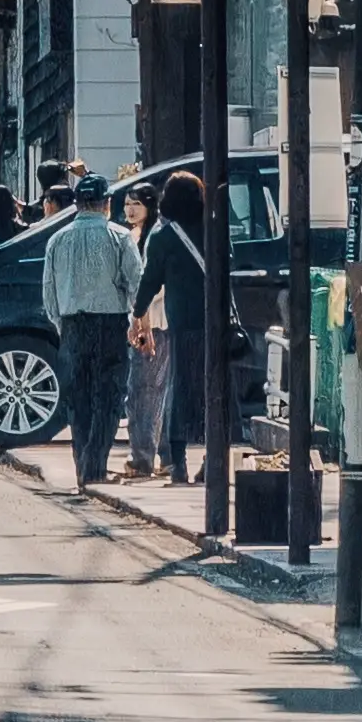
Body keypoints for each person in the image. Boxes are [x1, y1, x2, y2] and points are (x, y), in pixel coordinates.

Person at [40, 168, 143, 485]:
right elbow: (137, 283)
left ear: (77, 204)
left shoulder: (57, 240)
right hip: (111, 324)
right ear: (106, 204)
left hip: (72, 326)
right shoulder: (120, 237)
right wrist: (134, 320)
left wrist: (62, 326)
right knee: (109, 399)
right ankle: (94, 465)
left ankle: (83, 466)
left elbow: (49, 293)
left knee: (78, 400)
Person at [134, 170, 209, 490]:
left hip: (181, 322)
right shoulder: (214, 231)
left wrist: (137, 314)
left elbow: (150, 279)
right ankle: (212, 460)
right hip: (213, 321)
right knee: (213, 390)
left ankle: (179, 464)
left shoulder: (163, 238)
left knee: (180, 388)